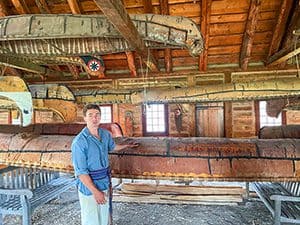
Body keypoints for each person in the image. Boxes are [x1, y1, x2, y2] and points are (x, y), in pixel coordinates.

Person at [72, 104, 115, 225]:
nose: (94, 118)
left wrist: (128, 145)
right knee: (91, 219)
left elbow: (112, 147)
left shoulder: (105, 134)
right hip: (88, 187)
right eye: (90, 115)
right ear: (85, 118)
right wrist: (96, 192)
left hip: (104, 182)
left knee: (104, 217)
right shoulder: (79, 142)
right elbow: (81, 172)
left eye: (97, 115)